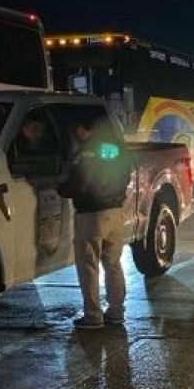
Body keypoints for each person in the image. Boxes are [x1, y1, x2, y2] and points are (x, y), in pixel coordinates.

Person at [58, 114, 132, 330]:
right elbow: (126, 177)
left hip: (91, 214)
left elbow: (78, 184)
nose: (75, 134)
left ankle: (93, 315)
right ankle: (116, 311)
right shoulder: (117, 148)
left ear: (83, 128)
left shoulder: (86, 152)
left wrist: (61, 187)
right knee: (113, 263)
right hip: (116, 212)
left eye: (76, 130)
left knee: (89, 265)